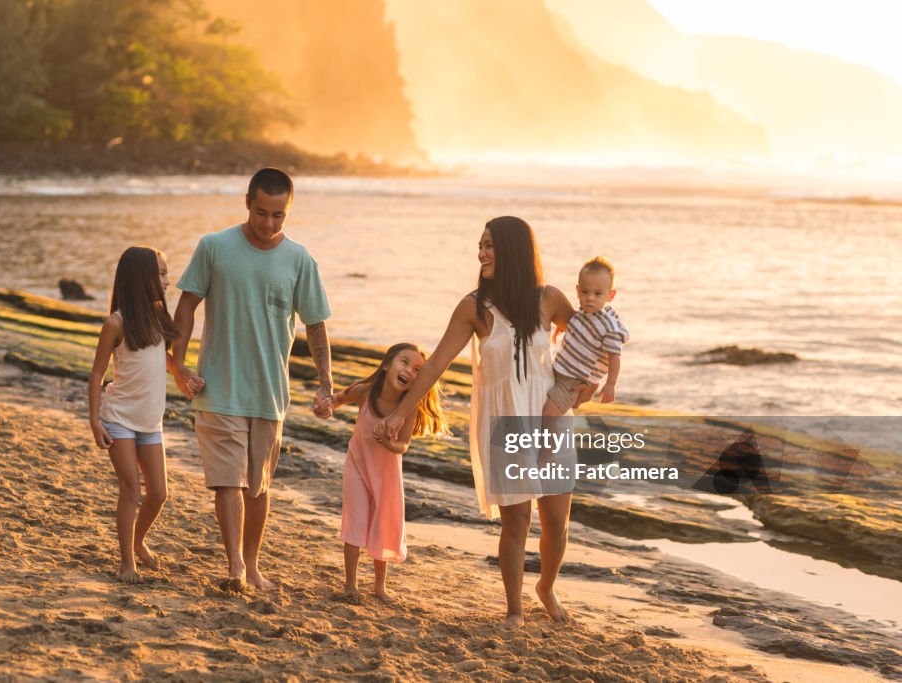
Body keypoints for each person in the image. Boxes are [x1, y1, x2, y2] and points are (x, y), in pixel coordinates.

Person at [376, 216, 593, 627]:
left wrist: (590, 383)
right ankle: (515, 608)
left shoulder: (548, 299)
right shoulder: (473, 307)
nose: (481, 253)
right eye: (480, 245)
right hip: (506, 422)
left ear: (513, 250)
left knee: (556, 523)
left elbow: (587, 337)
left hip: (550, 418)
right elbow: (437, 363)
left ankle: (545, 587)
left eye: (490, 245)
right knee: (517, 521)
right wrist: (399, 414)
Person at [171, 167, 333, 591]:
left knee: (258, 488)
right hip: (217, 386)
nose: (268, 223)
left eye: (278, 215)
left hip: (269, 392)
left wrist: (326, 383)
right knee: (228, 481)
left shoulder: (300, 259)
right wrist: (179, 363)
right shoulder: (214, 247)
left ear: (289, 210)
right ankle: (234, 568)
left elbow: (316, 325)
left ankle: (252, 563)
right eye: (261, 212)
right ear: (247, 202)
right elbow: (186, 306)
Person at [88, 246, 203, 583]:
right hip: (119, 418)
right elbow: (97, 374)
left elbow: (162, 358)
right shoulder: (116, 323)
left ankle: (138, 542)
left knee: (159, 494)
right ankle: (126, 563)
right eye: (162, 274)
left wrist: (182, 374)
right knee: (131, 490)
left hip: (151, 422)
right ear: (142, 279)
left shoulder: (157, 318)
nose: (168, 281)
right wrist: (95, 420)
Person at [331, 343, 449, 602]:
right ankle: (350, 584)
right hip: (357, 468)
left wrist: (389, 442)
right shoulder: (365, 392)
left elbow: (403, 445)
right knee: (355, 522)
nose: (410, 371)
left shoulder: (408, 408)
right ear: (386, 365)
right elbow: (340, 398)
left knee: (382, 525)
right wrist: (327, 406)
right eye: (404, 362)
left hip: (386, 477)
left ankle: (379, 586)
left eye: (418, 369)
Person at [548, 256, 629, 410]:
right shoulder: (583, 313)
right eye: (585, 292)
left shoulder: (609, 327)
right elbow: (580, 327)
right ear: (578, 291)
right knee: (545, 412)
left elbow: (614, 357)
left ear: (610, 295)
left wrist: (610, 384)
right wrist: (567, 327)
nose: (590, 298)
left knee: (548, 415)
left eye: (598, 294)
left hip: (573, 382)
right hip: (559, 371)